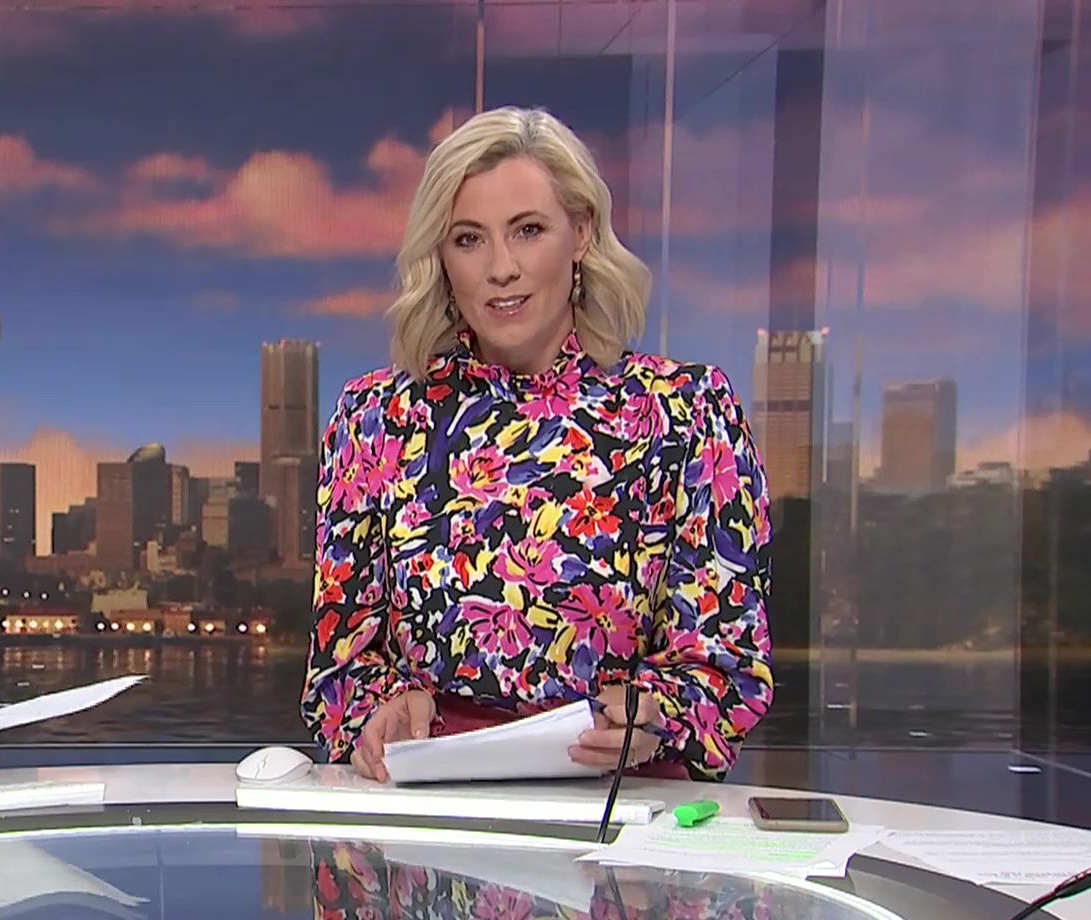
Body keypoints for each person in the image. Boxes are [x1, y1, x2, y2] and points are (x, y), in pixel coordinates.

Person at [301, 106, 773, 783]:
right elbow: (340, 668)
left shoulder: (688, 413)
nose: (502, 268)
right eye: (469, 239)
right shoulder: (373, 420)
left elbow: (728, 667)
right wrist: (381, 709)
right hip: (426, 806)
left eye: (528, 230)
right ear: (441, 256)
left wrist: (657, 715)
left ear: (580, 233)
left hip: (623, 805)